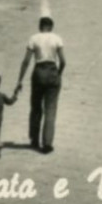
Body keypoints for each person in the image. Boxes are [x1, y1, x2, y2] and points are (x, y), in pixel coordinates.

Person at [14, 16, 66, 154]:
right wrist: (58, 74)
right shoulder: (57, 38)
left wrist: (19, 80)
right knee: (50, 109)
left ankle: (34, 138)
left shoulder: (34, 38)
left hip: (38, 72)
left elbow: (26, 61)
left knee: (36, 107)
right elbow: (63, 61)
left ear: (40, 26)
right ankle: (47, 143)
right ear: (51, 27)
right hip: (52, 71)